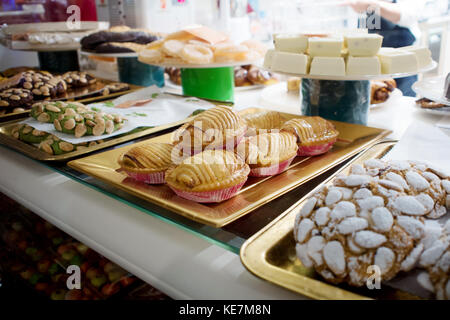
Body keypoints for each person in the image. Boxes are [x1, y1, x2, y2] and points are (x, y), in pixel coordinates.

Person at [344, 0, 425, 96]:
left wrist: (371, 4)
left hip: (402, 62)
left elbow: (407, 15)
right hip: (369, 60)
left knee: (402, 101)